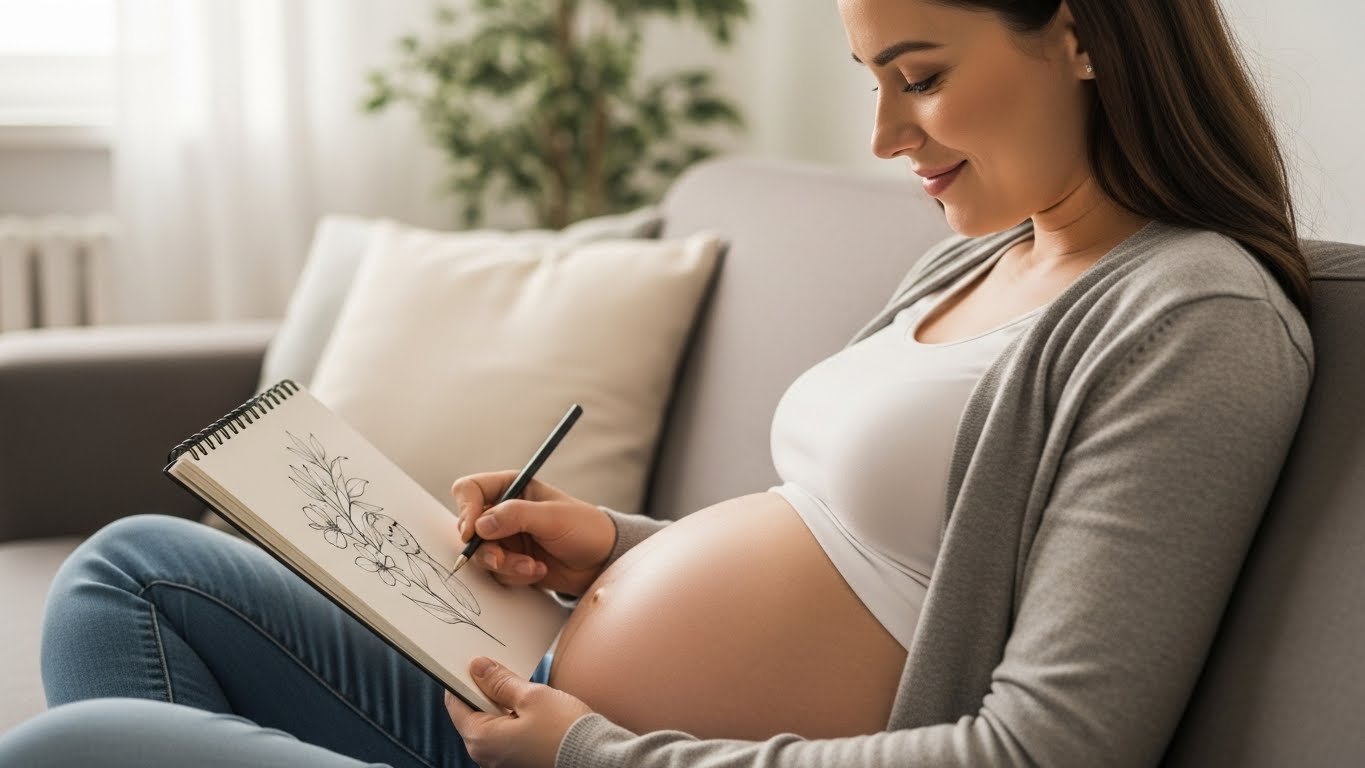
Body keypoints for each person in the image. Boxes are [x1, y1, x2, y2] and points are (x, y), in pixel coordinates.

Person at [0, 0, 1315, 766]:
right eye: (869, 83)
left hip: (603, 757)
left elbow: (1048, 749)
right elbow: (862, 566)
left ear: (1080, 36)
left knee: (63, 752)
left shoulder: (1187, 315)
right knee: (133, 576)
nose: (881, 138)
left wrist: (591, 754)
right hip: (545, 707)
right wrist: (608, 547)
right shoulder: (975, 260)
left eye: (919, 78)